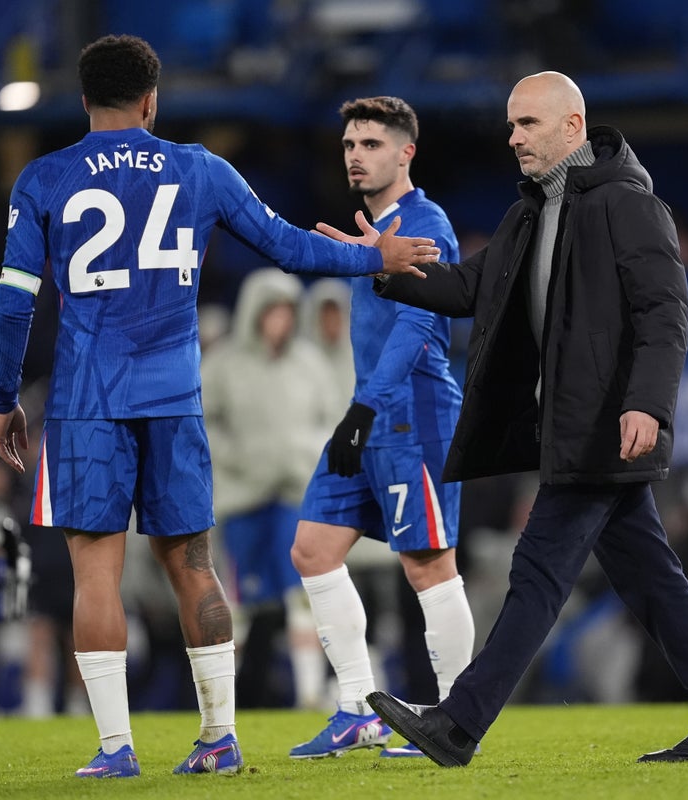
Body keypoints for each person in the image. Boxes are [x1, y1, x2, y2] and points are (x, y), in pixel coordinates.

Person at [0, 35, 439, 779]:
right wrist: (374, 257)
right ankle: (219, 738)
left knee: (95, 576)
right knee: (194, 565)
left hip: (86, 404)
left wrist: (4, 396)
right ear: (151, 100)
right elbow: (288, 247)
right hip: (173, 397)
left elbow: (13, 304)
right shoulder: (198, 169)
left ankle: (115, 749)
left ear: (84, 99)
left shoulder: (44, 178)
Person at [323, 72, 688, 765]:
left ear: (572, 126)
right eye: (510, 125)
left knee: (536, 575)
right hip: (571, 427)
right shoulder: (531, 212)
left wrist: (647, 403)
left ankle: (458, 725)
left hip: (602, 428)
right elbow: (469, 287)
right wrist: (385, 266)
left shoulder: (628, 204)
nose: (513, 137)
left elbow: (665, 313)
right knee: (652, 580)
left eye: (527, 123)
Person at [287, 96, 475, 760]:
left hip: (414, 413)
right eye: (348, 145)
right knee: (312, 549)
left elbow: (420, 324)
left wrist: (364, 408)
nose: (356, 155)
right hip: (368, 412)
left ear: (406, 152)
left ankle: (455, 720)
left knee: (429, 565)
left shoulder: (425, 223)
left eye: (371, 144)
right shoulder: (375, 231)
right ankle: (356, 709)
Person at [199, 268, 334, 709]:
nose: (282, 320)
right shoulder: (224, 364)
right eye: (273, 310)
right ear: (255, 312)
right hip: (242, 499)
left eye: (288, 311)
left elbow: (331, 420)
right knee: (237, 600)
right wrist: (239, 457)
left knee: (302, 594)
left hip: (294, 495)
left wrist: (303, 453)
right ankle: (222, 700)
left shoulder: (310, 363)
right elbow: (204, 422)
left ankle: (309, 694)